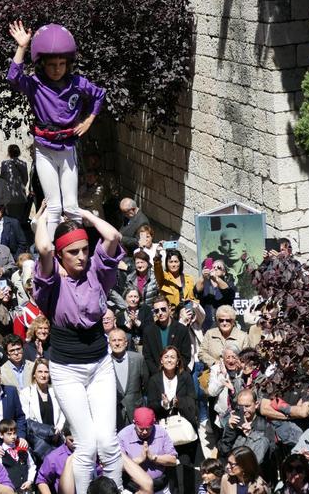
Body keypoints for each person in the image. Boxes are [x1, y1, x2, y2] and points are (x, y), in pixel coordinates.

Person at [32, 201, 125, 492]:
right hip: (66, 370)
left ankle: (115, 489)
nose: (82, 256)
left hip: (100, 364)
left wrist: (83, 214)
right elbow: (45, 249)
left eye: (85, 249)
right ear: (60, 256)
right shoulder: (52, 283)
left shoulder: (97, 271)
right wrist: (44, 219)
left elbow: (112, 237)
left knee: (108, 442)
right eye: (73, 252)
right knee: (85, 445)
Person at [7, 21, 106, 237]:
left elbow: (99, 95)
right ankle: (53, 252)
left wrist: (88, 120)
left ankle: (76, 244)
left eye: (62, 64)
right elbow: (13, 77)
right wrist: (22, 47)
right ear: (43, 64)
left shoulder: (77, 83)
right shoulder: (35, 84)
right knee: (53, 206)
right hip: (44, 149)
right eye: (52, 64)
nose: (57, 69)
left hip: (68, 148)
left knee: (70, 206)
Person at [146, 345, 199, 492]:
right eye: (166, 357)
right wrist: (162, 404)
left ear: (178, 362)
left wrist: (178, 402)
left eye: (173, 357)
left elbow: (192, 399)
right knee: (169, 466)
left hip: (183, 426)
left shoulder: (185, 376)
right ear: (161, 360)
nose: (169, 360)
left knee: (186, 464)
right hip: (165, 428)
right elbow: (150, 405)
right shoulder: (154, 380)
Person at [117, 407, 178, 494]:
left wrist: (154, 457)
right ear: (134, 423)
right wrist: (139, 460)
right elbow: (118, 467)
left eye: (148, 428)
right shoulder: (123, 436)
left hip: (160, 487)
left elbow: (173, 460)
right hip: (134, 489)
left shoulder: (161, 432)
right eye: (141, 429)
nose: (145, 432)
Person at [141, 297, 193, 376]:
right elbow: (147, 357)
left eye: (163, 309)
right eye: (157, 311)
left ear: (169, 309)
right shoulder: (148, 331)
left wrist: (174, 372)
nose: (160, 313)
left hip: (177, 375)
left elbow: (186, 355)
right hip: (157, 376)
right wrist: (159, 374)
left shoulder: (181, 330)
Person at [109, 328, 149, 429]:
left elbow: (145, 384)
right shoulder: (105, 363)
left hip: (136, 410)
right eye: (114, 340)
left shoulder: (138, 359)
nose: (117, 343)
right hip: (115, 414)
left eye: (120, 340)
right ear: (109, 344)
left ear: (126, 343)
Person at [0, 418, 36, 493]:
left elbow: (31, 466)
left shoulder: (22, 448)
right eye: (9, 434)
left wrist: (29, 481)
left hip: (26, 490)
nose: (13, 436)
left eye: (14, 433)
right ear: (1, 435)